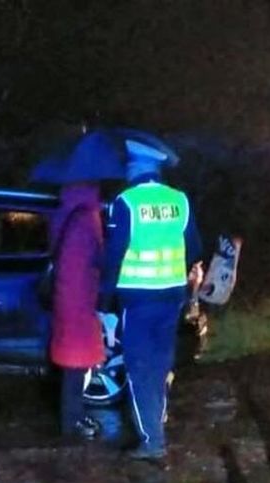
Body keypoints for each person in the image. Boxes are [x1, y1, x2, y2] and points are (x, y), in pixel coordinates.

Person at [100, 138, 202, 461]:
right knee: (159, 366)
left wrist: (103, 305)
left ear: (133, 169)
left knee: (139, 369)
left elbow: (114, 257)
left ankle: (152, 441)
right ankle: (155, 427)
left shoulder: (126, 202)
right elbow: (195, 248)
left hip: (137, 300)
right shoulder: (180, 201)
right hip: (172, 297)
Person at [50, 181, 106, 440]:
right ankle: (71, 422)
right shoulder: (84, 218)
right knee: (77, 365)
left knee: (75, 364)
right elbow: (92, 259)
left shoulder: (67, 212)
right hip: (80, 298)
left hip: (69, 297)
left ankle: (73, 416)